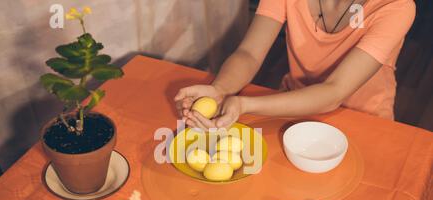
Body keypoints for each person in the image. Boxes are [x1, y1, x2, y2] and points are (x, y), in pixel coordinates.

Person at [174, 0, 416, 130]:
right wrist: (221, 89)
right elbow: (249, 53)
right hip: (293, 106)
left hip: (365, 121)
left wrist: (244, 104)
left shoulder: (397, 7)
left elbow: (334, 91)